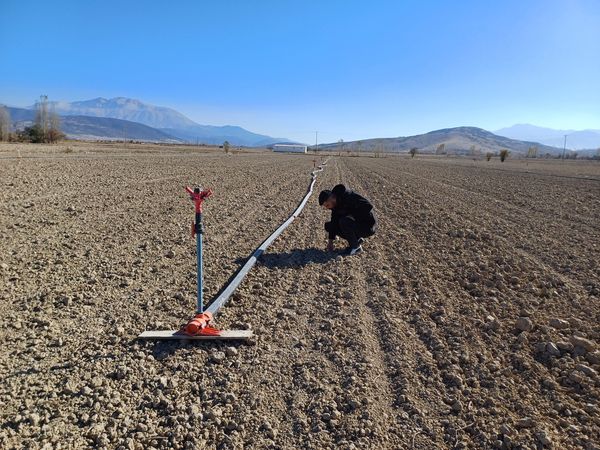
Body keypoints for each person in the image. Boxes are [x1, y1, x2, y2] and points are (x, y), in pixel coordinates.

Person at [319, 184, 376, 256]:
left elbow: (368, 206)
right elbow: (334, 222)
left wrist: (352, 216)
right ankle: (356, 240)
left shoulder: (348, 196)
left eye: (327, 205)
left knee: (344, 221)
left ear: (332, 198)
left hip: (368, 226)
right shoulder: (335, 205)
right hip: (357, 225)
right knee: (329, 225)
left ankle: (356, 248)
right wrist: (330, 242)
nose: (327, 208)